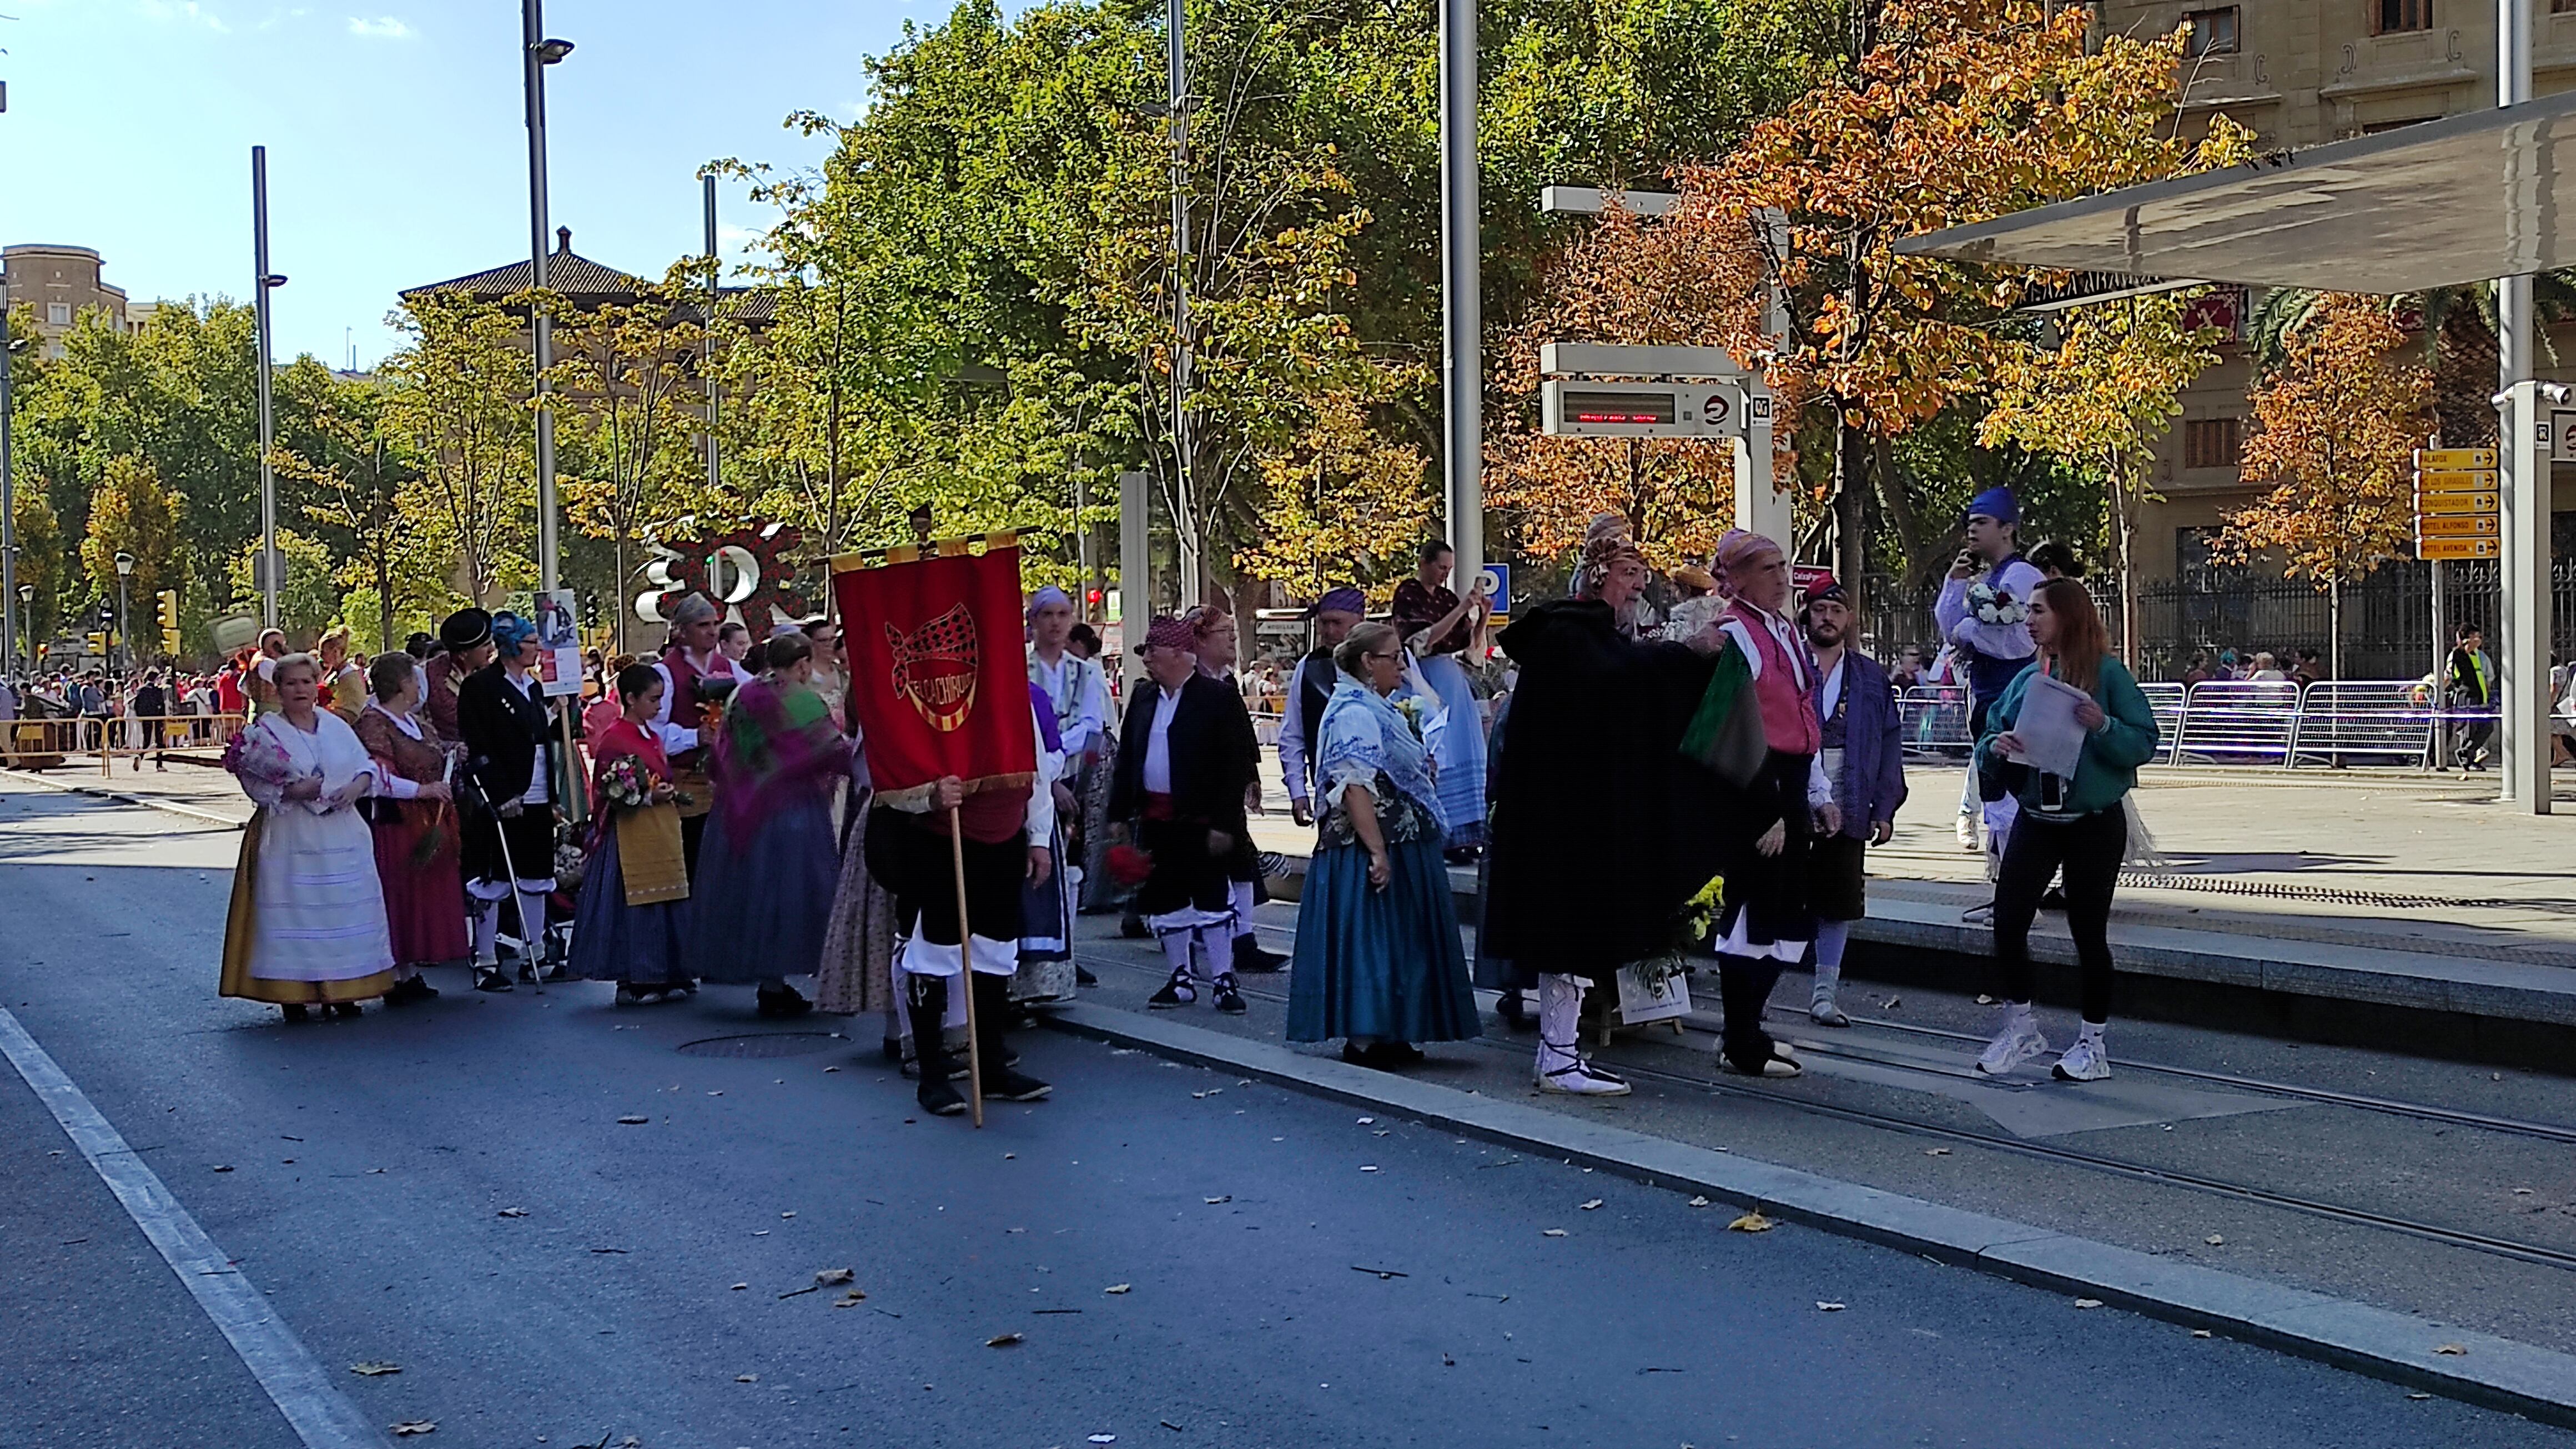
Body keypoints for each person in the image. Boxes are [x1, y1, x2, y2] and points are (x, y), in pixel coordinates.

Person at [1482, 525, 1727, 1095]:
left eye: (1641, 575)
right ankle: (1558, 1056)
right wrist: (1683, 654)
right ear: (1597, 577)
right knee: (1565, 936)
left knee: (1572, 936)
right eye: (1627, 574)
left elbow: (1625, 688)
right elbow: (1618, 684)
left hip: (1579, 813)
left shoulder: (1589, 638)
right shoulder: (1570, 635)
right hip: (1563, 819)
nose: (1637, 586)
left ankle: (1559, 1053)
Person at [1974, 578, 2160, 1082]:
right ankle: (2021, 1026)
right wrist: (1996, 748)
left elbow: (2144, 741)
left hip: (2093, 824)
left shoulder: (2109, 675)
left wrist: (2103, 725)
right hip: (2039, 818)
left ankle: (2091, 1044)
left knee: (2087, 931)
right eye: (2029, 610)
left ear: (2068, 617)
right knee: (2009, 919)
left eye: (2039, 611)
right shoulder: (2029, 677)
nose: (2029, 620)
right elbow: (1990, 732)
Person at [1286, 621, 1479, 1066]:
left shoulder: (1375, 705)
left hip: (1402, 841)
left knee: (1398, 941)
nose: (1402, 665)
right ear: (1368, 662)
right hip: (1370, 845)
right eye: (1394, 657)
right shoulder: (1354, 711)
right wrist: (1377, 851)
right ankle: (1367, 1036)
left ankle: (1393, 1029)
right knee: (1372, 939)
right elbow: (1355, 786)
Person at [864, 712, 1058, 1118]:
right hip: (939, 838)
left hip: (1003, 838)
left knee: (994, 952)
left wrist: (1039, 837)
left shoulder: (1008, 690)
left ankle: (989, 1068)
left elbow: (1032, 766)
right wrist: (928, 796)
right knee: (933, 955)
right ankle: (931, 1076)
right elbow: (886, 769)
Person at [1701, 531, 1832, 1078]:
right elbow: (1724, 730)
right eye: (1767, 570)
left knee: (1784, 918)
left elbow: (1802, 715)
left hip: (1790, 782)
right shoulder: (1734, 633)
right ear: (1737, 579)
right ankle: (1740, 1040)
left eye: (1782, 567)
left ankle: (1745, 1026)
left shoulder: (1778, 628)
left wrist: (1816, 793)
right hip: (1759, 787)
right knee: (1753, 917)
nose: (1781, 579)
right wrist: (1767, 809)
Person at [218, 653, 397, 1022]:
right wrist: (290, 792)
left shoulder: (336, 727)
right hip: (291, 835)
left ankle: (344, 988)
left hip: (342, 832)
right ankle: (294, 994)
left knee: (342, 907)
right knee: (296, 910)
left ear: (316, 687)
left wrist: (357, 787)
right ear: (278, 689)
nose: (299, 690)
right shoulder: (265, 732)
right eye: (290, 683)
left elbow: (366, 765)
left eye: (305, 682)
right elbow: (255, 783)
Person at [687, 631, 844, 1017]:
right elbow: (832, 749)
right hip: (791, 811)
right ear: (803, 663)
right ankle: (777, 984)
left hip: (738, 808)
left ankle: (769, 982)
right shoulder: (802, 698)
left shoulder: (742, 695)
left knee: (751, 897)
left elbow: (723, 751)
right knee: (790, 897)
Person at [1109, 615, 1260, 1015]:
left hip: (1202, 820)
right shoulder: (1142, 698)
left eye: (1152, 652)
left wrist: (1226, 824)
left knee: (1211, 898)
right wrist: (1119, 813)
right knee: (1167, 899)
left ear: (1179, 653)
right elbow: (1128, 758)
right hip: (1159, 820)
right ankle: (1180, 978)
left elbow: (1234, 767)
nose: (1146, 660)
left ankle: (1224, 978)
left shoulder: (1217, 697)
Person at [1935, 487, 2045, 923]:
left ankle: (2017, 895)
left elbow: (2017, 639)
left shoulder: (2020, 577)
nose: (1972, 531)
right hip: (1986, 694)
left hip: (2009, 695)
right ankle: (2007, 891)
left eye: (1981, 523)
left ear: (2007, 529)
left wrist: (1968, 633)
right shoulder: (1989, 579)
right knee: (1995, 791)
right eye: (1969, 524)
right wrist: (1955, 583)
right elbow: (1948, 626)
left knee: (2007, 793)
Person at [1799, 578, 1906, 1027]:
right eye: (1820, 609)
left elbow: (1889, 742)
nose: (1828, 618)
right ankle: (1758, 990)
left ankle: (1824, 993)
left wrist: (1885, 807)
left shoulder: (1869, 676)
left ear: (1849, 619)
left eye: (1836, 611)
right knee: (1781, 896)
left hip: (1851, 791)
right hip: (1791, 791)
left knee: (1839, 898)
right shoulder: (1788, 663)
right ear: (1806, 614)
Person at [570, 663, 701, 1005]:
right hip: (630, 835)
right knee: (637, 905)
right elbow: (606, 790)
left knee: (667, 898)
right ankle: (637, 977)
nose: (659, 707)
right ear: (631, 699)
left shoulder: (652, 737)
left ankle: (671, 970)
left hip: (660, 830)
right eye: (653, 700)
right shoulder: (615, 738)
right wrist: (646, 796)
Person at [456, 612, 564, 993]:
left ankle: (536, 951)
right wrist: (501, 795)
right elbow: (480, 747)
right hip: (504, 794)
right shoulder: (480, 688)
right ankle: (485, 959)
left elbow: (541, 740)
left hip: (536, 791)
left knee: (536, 873)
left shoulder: (533, 688)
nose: (538, 648)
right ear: (513, 645)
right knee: (495, 876)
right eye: (532, 641)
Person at [351, 651, 464, 1003]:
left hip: (430, 818)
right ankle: (396, 973)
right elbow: (376, 777)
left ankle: (410, 970)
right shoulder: (373, 722)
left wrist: (452, 753)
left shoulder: (413, 721)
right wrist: (423, 790)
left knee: (423, 892)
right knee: (401, 892)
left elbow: (429, 751)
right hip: (396, 820)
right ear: (402, 684)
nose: (420, 687)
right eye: (415, 680)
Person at [1184, 603, 1286, 974]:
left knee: (1240, 862)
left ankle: (1244, 940)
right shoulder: (1186, 680)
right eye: (1223, 632)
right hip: (1196, 791)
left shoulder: (1226, 680)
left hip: (1226, 790)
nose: (1231, 638)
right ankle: (1199, 937)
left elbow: (1241, 732)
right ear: (1198, 639)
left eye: (1231, 630)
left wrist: (1252, 774)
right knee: (1201, 864)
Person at [1391, 540, 1494, 860]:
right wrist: (1462, 609)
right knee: (1436, 749)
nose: (1444, 575)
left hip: (1450, 678)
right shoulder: (1408, 593)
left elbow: (1471, 650)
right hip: (1423, 679)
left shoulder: (1448, 598)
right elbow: (1420, 642)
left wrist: (1482, 617)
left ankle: (1466, 832)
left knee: (1463, 747)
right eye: (1440, 568)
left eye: (1448, 570)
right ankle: (1438, 832)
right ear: (1423, 562)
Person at [1027, 585, 1113, 930]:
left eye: (1062, 615)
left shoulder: (1088, 672)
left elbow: (1092, 723)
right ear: (1033, 620)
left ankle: (1069, 947)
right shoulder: (1017, 667)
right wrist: (1044, 763)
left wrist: (1056, 750)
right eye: (1047, 615)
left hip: (1072, 778)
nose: (1055, 623)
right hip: (1030, 780)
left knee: (1071, 863)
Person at [651, 593, 756, 872]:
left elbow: (758, 704)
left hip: (725, 782)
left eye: (715, 624)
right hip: (686, 784)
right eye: (702, 625)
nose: (712, 631)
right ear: (683, 632)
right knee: (695, 860)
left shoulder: (730, 668)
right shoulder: (665, 673)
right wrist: (693, 737)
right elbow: (651, 732)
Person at [1276, 587, 1367, 828]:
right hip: (1331, 796)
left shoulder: (1392, 658)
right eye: (1323, 623)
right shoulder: (1308, 667)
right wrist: (1298, 792)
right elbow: (1292, 735)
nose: (1329, 631)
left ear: (1360, 620)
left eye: (1337, 623)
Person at [423, 609, 495, 744]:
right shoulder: (425, 675)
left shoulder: (495, 674)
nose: (492, 650)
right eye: (485, 645)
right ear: (464, 654)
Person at [2447, 624, 2497, 770]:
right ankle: (2468, 759)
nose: (2479, 640)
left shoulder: (2478, 655)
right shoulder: (2457, 654)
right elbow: (2451, 675)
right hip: (2467, 697)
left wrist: (2487, 696)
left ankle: (2467, 752)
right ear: (2467, 639)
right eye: (2476, 637)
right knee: (2470, 728)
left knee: (2487, 727)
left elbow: (2485, 677)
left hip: (2481, 697)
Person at [319, 626, 366, 722]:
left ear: (336, 652)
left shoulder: (350, 677)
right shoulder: (336, 673)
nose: (320, 656)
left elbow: (353, 711)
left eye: (323, 652)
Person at [132, 670, 169, 771]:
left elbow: (137, 705)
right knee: (159, 741)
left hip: (146, 717)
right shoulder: (158, 691)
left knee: (147, 740)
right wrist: (163, 718)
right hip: (157, 717)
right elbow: (162, 705)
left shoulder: (141, 690)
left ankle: (141, 755)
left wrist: (140, 716)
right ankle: (159, 764)